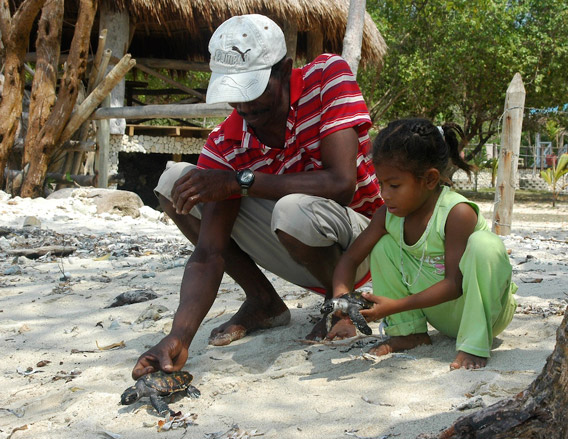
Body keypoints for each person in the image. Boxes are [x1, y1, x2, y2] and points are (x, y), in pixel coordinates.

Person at [132, 14, 383, 379]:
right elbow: (208, 253)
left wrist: (240, 181)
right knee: (177, 182)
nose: (246, 109)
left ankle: (340, 305)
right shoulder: (225, 141)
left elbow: (341, 183)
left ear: (284, 70)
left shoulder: (327, 76)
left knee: (291, 210)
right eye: (237, 97)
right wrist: (178, 336)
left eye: (255, 92)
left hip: (368, 242)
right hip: (299, 245)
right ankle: (264, 302)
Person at [328, 118, 518, 369]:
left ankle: (474, 345)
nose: (384, 194)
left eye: (394, 185)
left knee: (485, 244)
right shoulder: (387, 217)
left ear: (430, 179)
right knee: (384, 247)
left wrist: (394, 306)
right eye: (381, 183)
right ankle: (409, 333)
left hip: (486, 311)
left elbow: (454, 284)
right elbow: (351, 259)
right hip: (439, 314)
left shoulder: (456, 212)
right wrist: (342, 300)